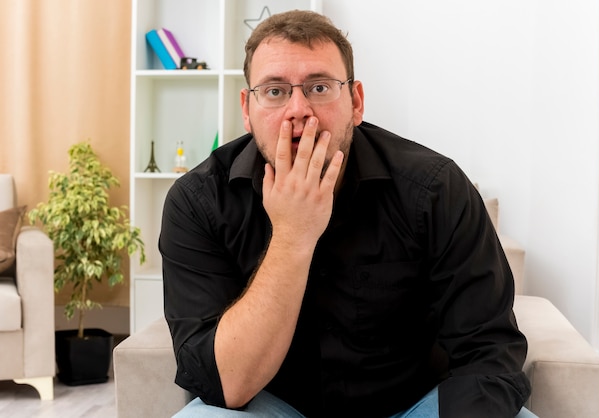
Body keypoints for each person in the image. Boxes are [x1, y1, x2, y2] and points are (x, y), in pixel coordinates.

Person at [160, 9, 534, 418]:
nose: (298, 109)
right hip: (277, 408)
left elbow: (489, 355)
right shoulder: (197, 202)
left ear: (355, 102)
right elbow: (224, 383)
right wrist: (292, 234)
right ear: (247, 110)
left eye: (319, 87)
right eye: (275, 91)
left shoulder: (436, 189)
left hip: (413, 407)